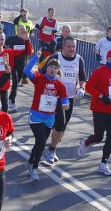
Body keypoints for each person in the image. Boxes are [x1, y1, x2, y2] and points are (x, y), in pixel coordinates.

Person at [77, 49, 111, 176]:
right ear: (107, 58)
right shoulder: (99, 72)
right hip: (100, 109)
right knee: (99, 137)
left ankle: (103, 163)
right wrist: (101, 96)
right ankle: (87, 142)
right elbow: (89, 87)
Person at [39, 36, 87, 164]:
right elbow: (42, 74)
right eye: (69, 46)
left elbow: (82, 77)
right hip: (52, 96)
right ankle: (50, 149)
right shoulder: (55, 57)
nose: (71, 49)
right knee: (55, 123)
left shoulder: (78, 59)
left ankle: (51, 147)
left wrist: (82, 88)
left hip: (69, 98)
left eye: (73, 47)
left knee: (62, 125)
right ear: (63, 46)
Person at [23, 51, 69, 181]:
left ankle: (31, 160)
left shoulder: (59, 85)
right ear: (46, 67)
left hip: (49, 118)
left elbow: (64, 98)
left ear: (58, 71)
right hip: (36, 116)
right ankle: (35, 168)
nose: (52, 69)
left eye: (55, 68)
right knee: (42, 142)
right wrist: (36, 57)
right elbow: (27, 71)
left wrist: (65, 104)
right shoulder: (39, 78)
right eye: (50, 66)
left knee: (39, 143)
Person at [5, 24, 31, 113]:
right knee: (15, 84)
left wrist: (27, 40)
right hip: (13, 64)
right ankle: (11, 101)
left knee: (17, 83)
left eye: (23, 29)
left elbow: (29, 51)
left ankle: (10, 99)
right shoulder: (12, 39)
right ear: (17, 30)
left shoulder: (26, 41)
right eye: (20, 29)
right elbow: (5, 47)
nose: (22, 31)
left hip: (21, 64)